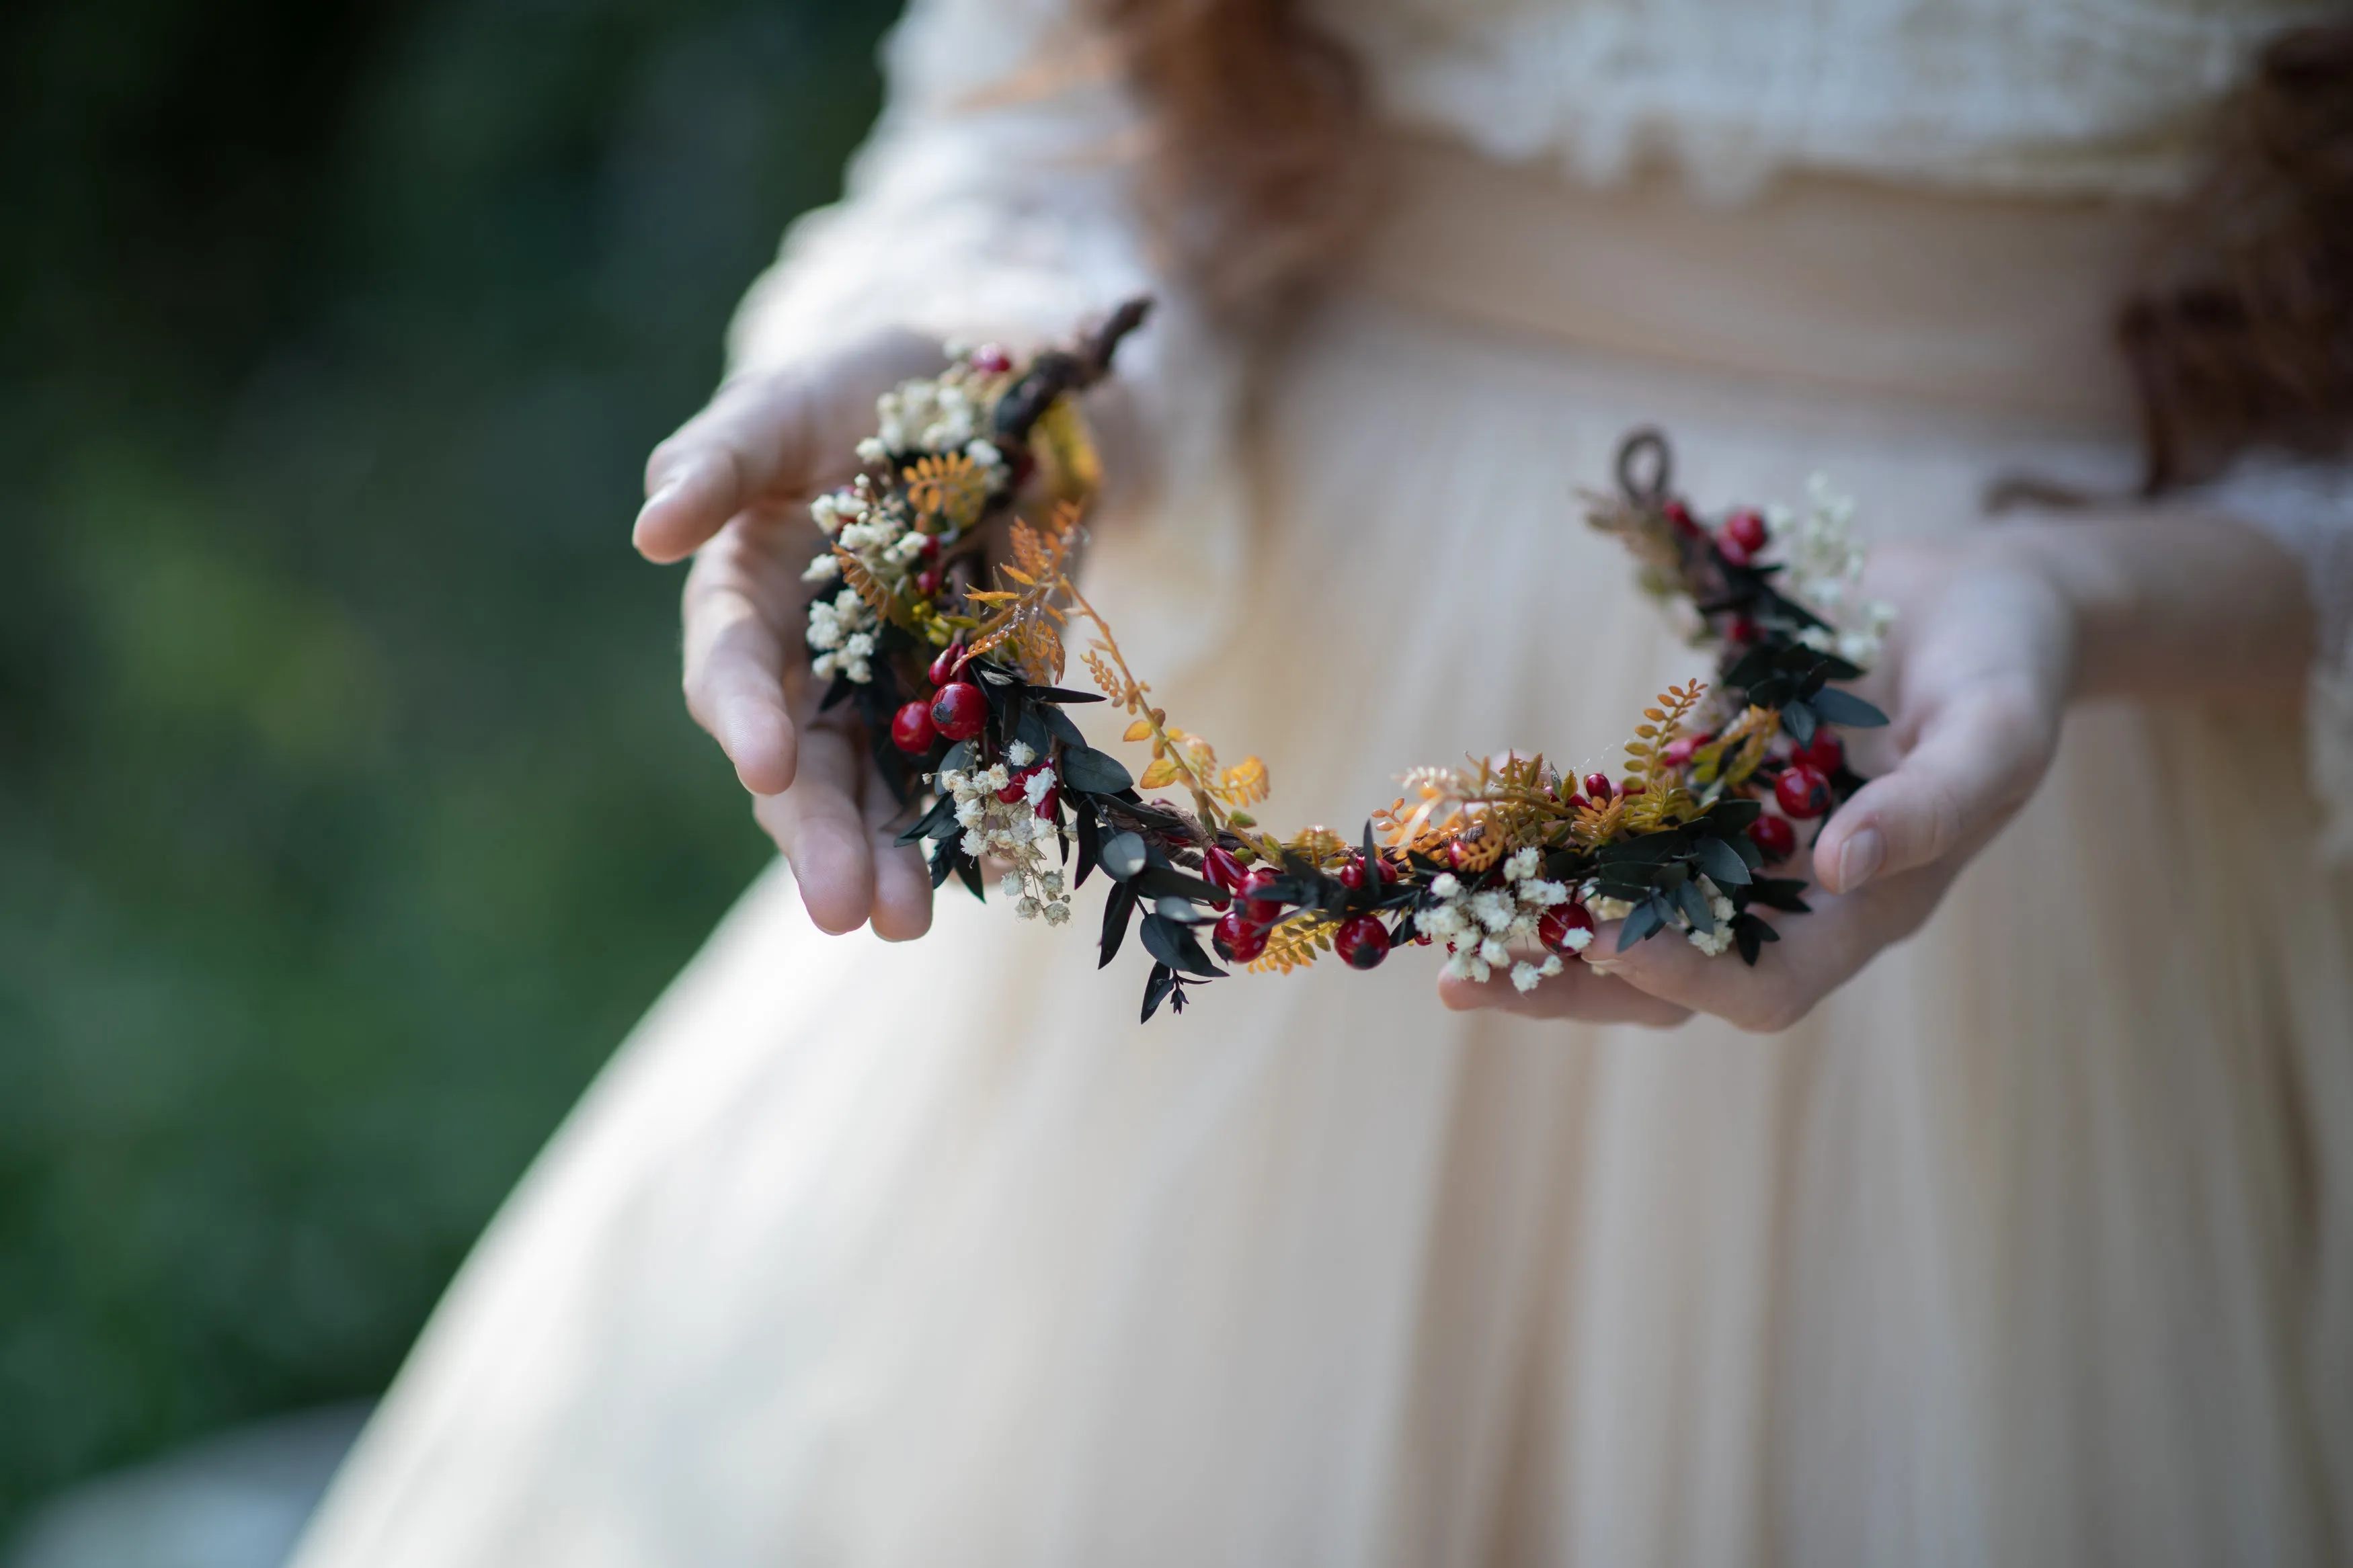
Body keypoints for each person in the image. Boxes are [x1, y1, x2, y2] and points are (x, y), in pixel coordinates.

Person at [294, 2, 2353, 1562]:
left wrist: (2105, 600)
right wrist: (981, 399)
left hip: (2092, 824)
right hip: (1289, 687)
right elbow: (1059, 137)